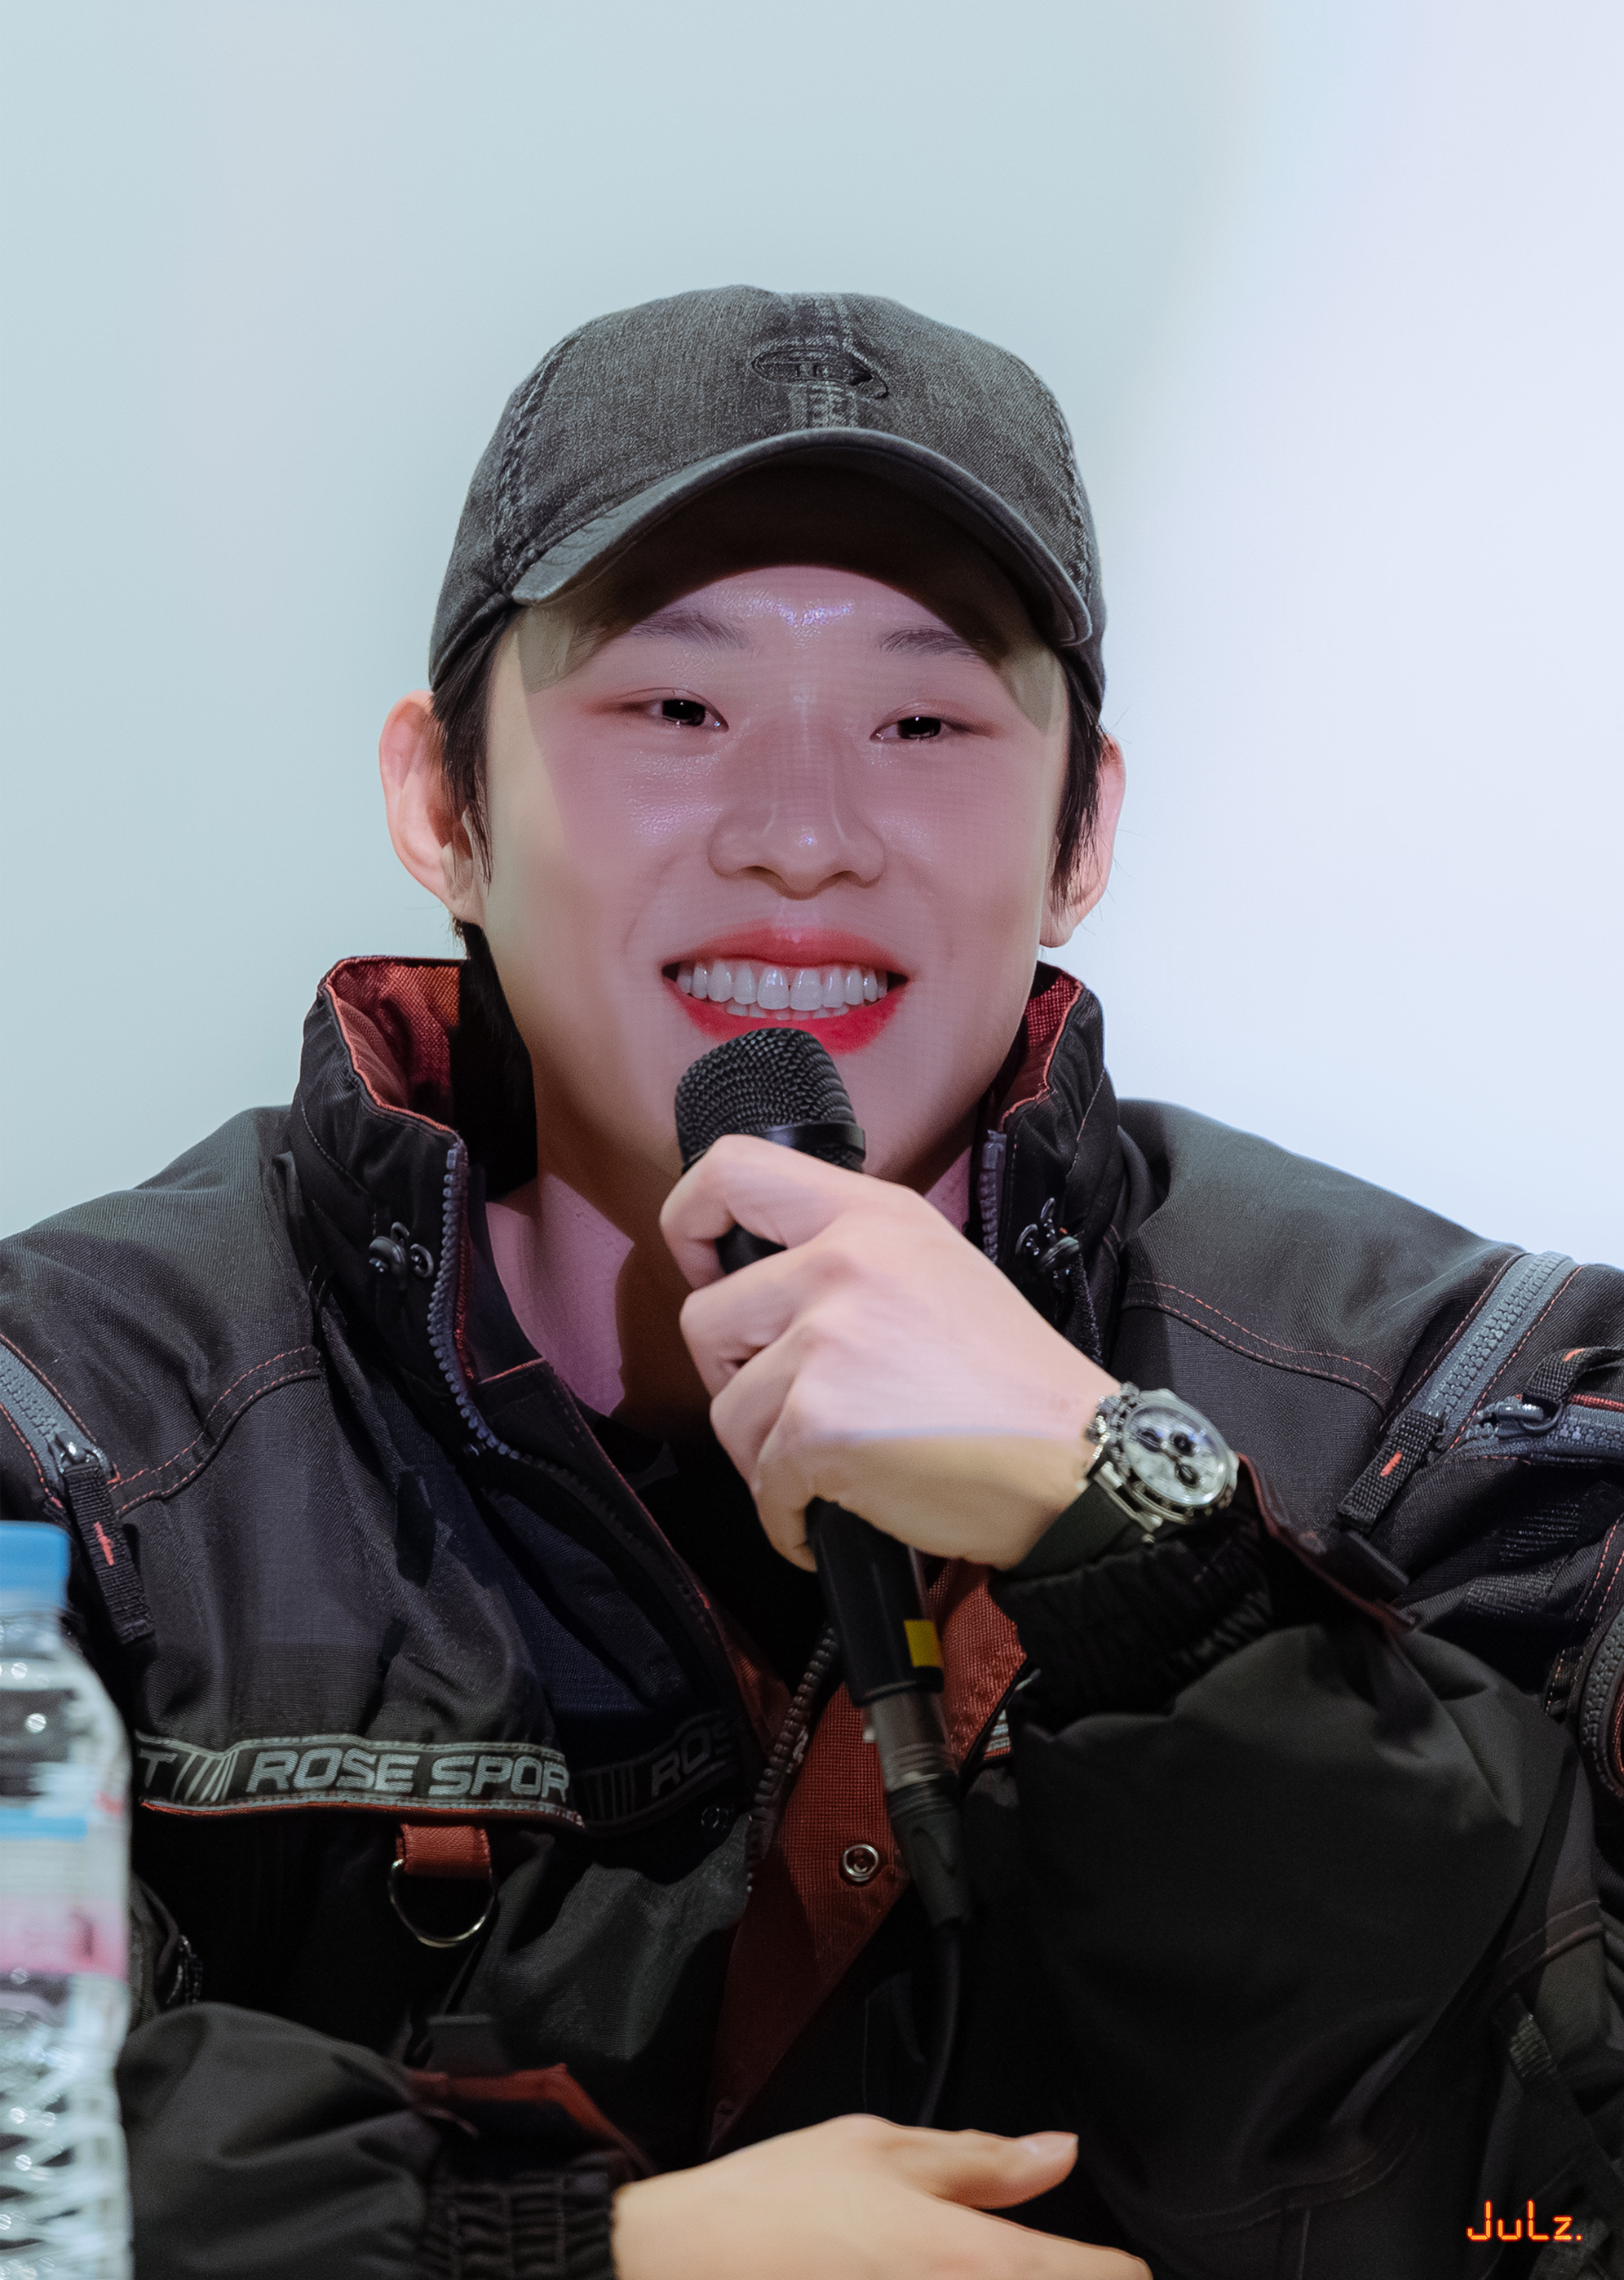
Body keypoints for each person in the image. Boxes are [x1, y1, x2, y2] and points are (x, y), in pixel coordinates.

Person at [5, 286, 1624, 2280]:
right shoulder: (68, 1433)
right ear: (444, 807)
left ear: (1084, 831)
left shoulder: (1465, 1407)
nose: (800, 839)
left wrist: (1150, 1552)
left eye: (923, 724)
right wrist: (566, 2255)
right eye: (674, 712)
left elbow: (1551, 2175)